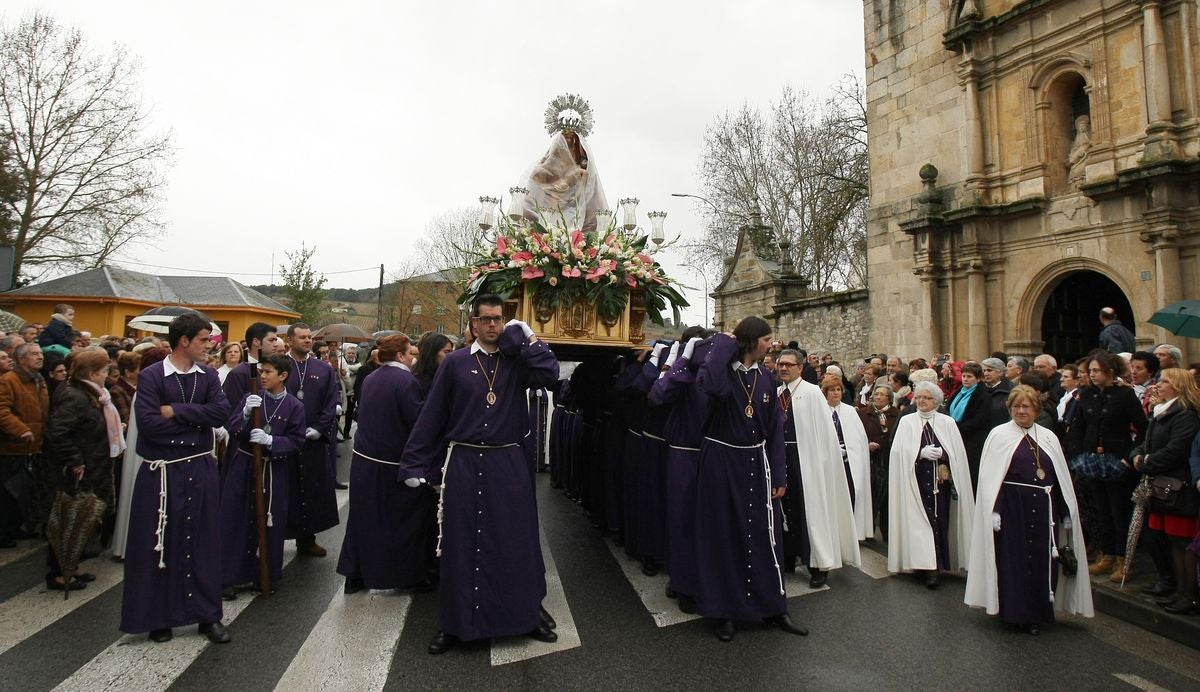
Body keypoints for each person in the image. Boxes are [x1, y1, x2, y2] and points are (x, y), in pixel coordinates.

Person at [400, 295, 560, 654]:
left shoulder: (517, 361)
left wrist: (531, 338)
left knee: (513, 542)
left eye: (498, 319)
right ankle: (455, 625)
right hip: (464, 463)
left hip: (507, 463)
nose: (492, 325)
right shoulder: (455, 363)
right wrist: (413, 463)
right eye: (485, 319)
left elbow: (550, 375)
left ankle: (524, 617)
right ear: (473, 324)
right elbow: (433, 416)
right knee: (460, 545)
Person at [692, 319, 807, 642]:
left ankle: (773, 607)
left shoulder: (766, 378)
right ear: (751, 342)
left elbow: (775, 431)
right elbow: (711, 387)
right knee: (724, 536)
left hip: (757, 462)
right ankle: (724, 611)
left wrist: (780, 473)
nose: (771, 345)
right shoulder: (720, 372)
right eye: (766, 340)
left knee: (763, 536)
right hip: (720, 462)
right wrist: (726, 344)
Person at [120, 314, 231, 644]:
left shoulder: (209, 375)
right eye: (204, 339)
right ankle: (159, 618)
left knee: (203, 541)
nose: (210, 345)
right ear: (184, 340)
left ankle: (207, 616)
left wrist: (177, 411)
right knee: (159, 542)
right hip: (162, 472)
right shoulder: (153, 375)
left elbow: (221, 413)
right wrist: (196, 421)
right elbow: (150, 424)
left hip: (199, 468)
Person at [965, 385, 1093, 634]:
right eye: (1016, 406)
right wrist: (995, 510)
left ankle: (1040, 612)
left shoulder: (1048, 437)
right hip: (1013, 509)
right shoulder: (999, 435)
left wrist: (1066, 513)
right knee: (1016, 560)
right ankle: (1017, 613)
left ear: (1036, 409)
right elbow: (992, 480)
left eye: (1026, 406)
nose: (1021, 411)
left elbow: (1059, 478)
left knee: (1043, 559)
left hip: (1045, 508)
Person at [339, 334, 436, 594]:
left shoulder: (372, 378)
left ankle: (355, 574)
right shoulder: (406, 381)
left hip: (364, 462)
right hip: (393, 465)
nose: (414, 358)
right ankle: (405, 576)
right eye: (411, 353)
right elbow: (418, 424)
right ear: (402, 356)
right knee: (404, 522)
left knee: (363, 520)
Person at [219, 353, 306, 600]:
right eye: (261, 371)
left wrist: (272, 441)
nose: (263, 376)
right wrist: (245, 414)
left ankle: (265, 574)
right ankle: (229, 576)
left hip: (272, 470)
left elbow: (297, 441)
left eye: (268, 372)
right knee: (236, 519)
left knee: (270, 522)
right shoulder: (251, 398)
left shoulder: (294, 406)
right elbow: (233, 427)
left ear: (283, 376)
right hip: (245, 465)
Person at [43, 348, 125, 590]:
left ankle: (72, 566)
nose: (106, 375)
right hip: (79, 470)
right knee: (71, 519)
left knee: (83, 519)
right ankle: (58, 572)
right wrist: (75, 460)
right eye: (103, 371)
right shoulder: (76, 396)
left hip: (93, 464)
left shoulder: (91, 393)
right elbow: (57, 433)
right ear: (91, 373)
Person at [648, 328, 713, 614]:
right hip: (683, 455)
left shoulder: (714, 373)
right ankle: (683, 581)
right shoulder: (683, 373)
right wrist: (680, 362)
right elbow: (658, 395)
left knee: (708, 523)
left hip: (713, 455)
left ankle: (706, 581)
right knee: (681, 520)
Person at [887, 381, 976, 588]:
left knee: (938, 522)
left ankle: (937, 564)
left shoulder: (947, 422)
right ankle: (924, 566)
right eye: (918, 397)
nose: (921, 401)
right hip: (915, 482)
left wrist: (944, 455)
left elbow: (958, 454)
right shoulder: (907, 422)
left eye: (926, 398)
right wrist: (919, 453)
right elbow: (898, 451)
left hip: (939, 484)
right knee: (919, 524)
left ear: (935, 401)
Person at [1069, 350, 1147, 583]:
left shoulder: (1125, 395)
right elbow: (1079, 426)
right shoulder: (1086, 394)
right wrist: (1078, 455)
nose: (1091, 375)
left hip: (1117, 460)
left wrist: (1128, 456)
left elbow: (1143, 428)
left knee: (1118, 511)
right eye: (1090, 371)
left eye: (1095, 370)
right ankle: (1107, 555)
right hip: (1091, 460)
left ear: (1109, 372)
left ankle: (1124, 560)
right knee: (1100, 510)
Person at [1129, 369, 1200, 614]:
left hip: (1178, 488)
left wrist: (1146, 462)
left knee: (1182, 545)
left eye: (1165, 381)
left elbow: (1177, 449)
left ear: (1179, 386)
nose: (1158, 385)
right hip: (1161, 487)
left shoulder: (1185, 415)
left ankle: (1187, 594)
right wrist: (1136, 455)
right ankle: (1176, 589)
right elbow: (1145, 441)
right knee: (1168, 541)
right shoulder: (1162, 412)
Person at [283, 323, 340, 557]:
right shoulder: (279, 366)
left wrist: (319, 428)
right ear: (289, 340)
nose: (307, 340)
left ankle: (307, 539)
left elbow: (330, 401)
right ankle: (280, 535)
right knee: (288, 490)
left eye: (309, 337)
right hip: (284, 441)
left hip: (313, 441)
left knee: (312, 489)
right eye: (302, 337)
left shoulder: (323, 369)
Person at [0, 342, 48, 549]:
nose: (40, 357)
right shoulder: (8, 380)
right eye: (34, 354)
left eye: (40, 353)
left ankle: (15, 527)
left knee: (23, 491)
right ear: (21, 359)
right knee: (8, 493)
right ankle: (3, 532)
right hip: (12, 446)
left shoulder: (39, 380)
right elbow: (2, 410)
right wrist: (20, 429)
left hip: (33, 445)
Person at [821, 375, 873, 540]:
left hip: (847, 463)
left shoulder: (850, 411)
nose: (836, 393)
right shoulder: (820, 411)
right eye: (832, 390)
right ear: (825, 392)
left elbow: (859, 440)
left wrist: (849, 451)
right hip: (828, 464)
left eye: (838, 390)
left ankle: (851, 532)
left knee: (851, 493)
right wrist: (832, 450)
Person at [858, 383, 898, 541]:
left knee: (888, 498)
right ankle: (868, 531)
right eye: (876, 394)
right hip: (870, 461)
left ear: (889, 398)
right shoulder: (863, 414)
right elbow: (856, 434)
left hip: (888, 460)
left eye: (882, 394)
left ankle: (888, 532)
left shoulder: (897, 415)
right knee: (871, 496)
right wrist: (867, 444)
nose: (878, 397)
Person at [948, 361, 992, 491]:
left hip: (972, 439)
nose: (965, 379)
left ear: (978, 378)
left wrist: (958, 428)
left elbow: (980, 419)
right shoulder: (958, 392)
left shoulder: (983, 395)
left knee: (970, 474)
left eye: (969, 377)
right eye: (964, 376)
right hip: (955, 436)